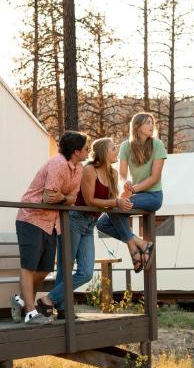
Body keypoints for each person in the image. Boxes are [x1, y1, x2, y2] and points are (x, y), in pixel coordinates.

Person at [40, 137, 132, 318]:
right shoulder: (89, 170)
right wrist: (116, 201)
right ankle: (63, 310)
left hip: (90, 224)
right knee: (66, 267)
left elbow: (113, 201)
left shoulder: (113, 174)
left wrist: (126, 193)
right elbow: (90, 200)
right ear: (105, 152)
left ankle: (48, 300)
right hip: (74, 219)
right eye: (114, 149)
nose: (117, 152)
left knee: (86, 272)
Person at [13, 131, 89, 324]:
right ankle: (30, 312)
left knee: (45, 268)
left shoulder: (79, 169)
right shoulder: (57, 164)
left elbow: (70, 200)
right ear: (76, 151)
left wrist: (62, 198)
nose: (89, 151)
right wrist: (64, 198)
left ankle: (21, 299)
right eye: (86, 148)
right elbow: (48, 197)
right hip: (31, 218)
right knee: (29, 266)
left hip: (51, 222)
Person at [95, 112, 166, 272]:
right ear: (137, 126)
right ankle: (140, 244)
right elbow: (121, 174)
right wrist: (124, 182)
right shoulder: (126, 146)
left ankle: (136, 248)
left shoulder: (158, 145)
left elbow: (155, 177)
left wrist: (134, 189)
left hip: (153, 196)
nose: (151, 125)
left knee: (115, 206)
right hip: (135, 194)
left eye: (152, 123)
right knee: (102, 223)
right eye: (147, 123)